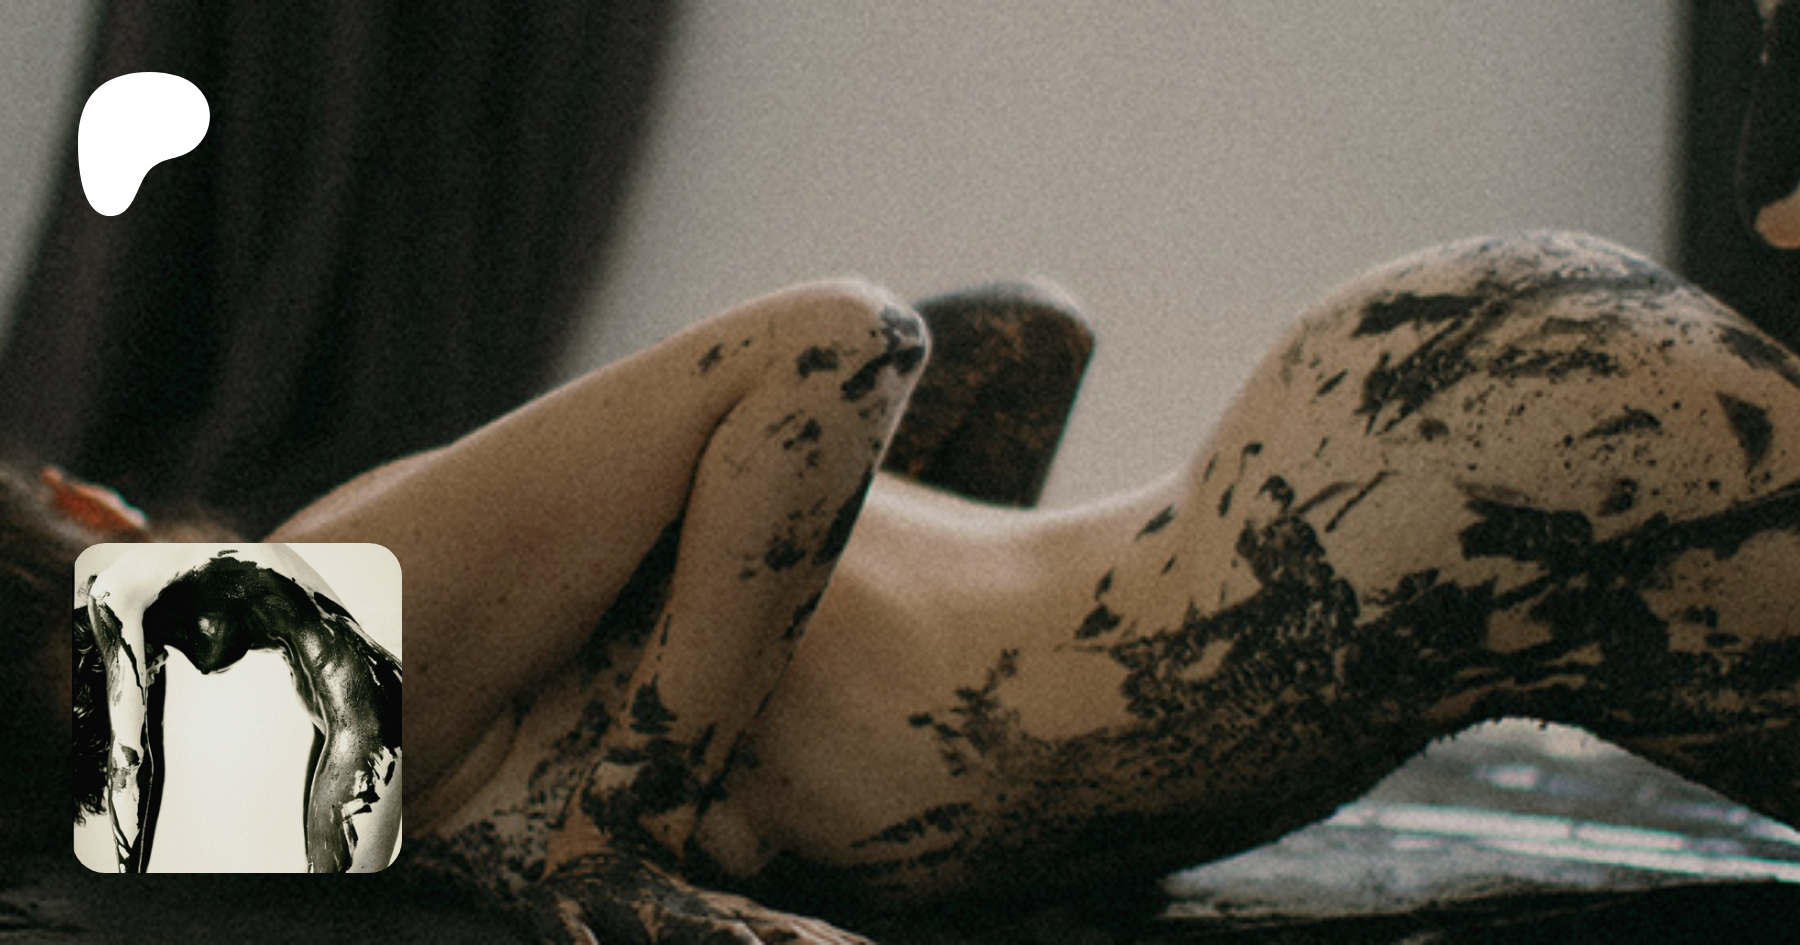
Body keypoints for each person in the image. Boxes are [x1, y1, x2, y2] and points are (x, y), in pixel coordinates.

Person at [7, 232, 1797, 941]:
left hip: (1429, 491)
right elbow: (1020, 334)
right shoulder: (232, 692)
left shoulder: (223, 678)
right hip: (1416, 463)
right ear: (85, 501)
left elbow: (834, 345)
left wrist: (617, 837)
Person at [72, 534, 402, 873]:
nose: (148, 682)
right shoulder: (150, 620)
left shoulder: (113, 596)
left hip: (368, 711)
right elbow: (150, 760)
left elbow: (129, 764)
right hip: (339, 714)